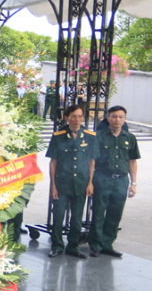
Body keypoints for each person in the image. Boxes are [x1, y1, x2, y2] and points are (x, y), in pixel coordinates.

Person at [46, 105, 98, 259]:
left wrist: (90, 183)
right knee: (58, 215)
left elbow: (91, 162)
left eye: (80, 116)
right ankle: (57, 245)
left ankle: (73, 246)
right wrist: (53, 185)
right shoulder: (58, 136)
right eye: (74, 116)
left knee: (76, 217)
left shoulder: (90, 136)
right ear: (67, 118)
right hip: (62, 183)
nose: (77, 120)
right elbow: (53, 162)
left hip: (81, 183)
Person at [90, 106, 140, 257]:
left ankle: (107, 244)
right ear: (108, 118)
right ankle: (96, 245)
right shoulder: (98, 136)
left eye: (120, 117)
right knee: (98, 212)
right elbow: (91, 160)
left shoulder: (130, 138)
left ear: (124, 119)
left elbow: (132, 161)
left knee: (115, 213)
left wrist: (134, 183)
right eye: (114, 116)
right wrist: (90, 182)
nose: (117, 120)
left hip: (121, 181)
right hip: (102, 178)